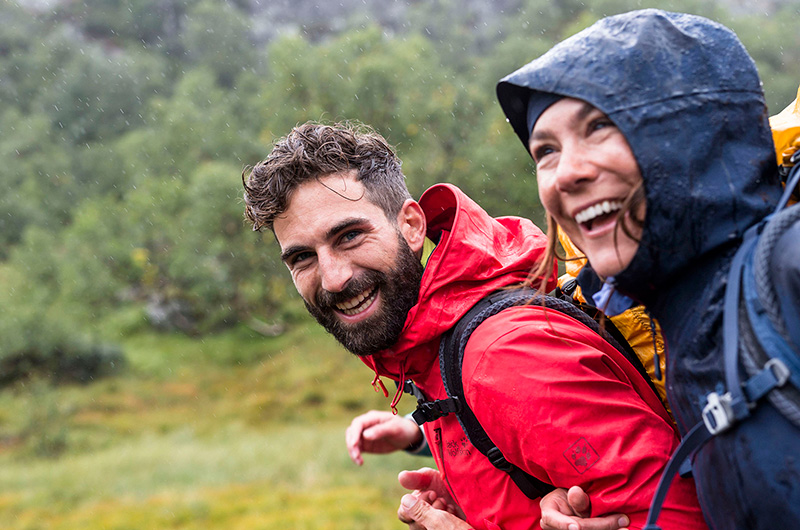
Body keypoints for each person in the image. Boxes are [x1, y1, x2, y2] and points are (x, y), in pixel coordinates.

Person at [242, 121, 708, 530]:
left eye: (349, 236)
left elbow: (680, 520)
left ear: (411, 225)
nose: (334, 277)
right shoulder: (436, 342)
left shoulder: (505, 359)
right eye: (302, 257)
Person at [496, 8, 800, 530]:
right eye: (545, 150)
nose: (565, 173)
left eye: (599, 126)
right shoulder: (665, 327)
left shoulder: (787, 266)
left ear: (691, 133)